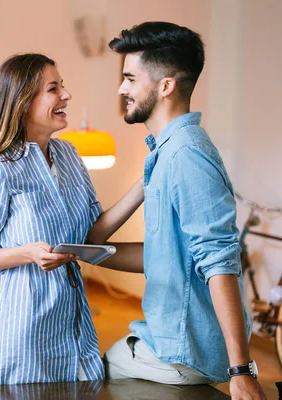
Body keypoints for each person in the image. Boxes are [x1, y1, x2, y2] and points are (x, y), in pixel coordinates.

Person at [100, 22, 266, 399]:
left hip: (179, 351)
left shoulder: (186, 155)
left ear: (165, 86)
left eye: (129, 78)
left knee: (88, 368)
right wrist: (88, 255)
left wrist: (241, 371)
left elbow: (218, 260)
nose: (122, 89)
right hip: (166, 339)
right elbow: (168, 257)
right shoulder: (168, 152)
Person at [0, 53, 144, 385]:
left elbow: (91, 234)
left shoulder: (69, 154)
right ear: (23, 102)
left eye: (63, 87)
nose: (66, 96)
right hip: (18, 335)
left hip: (73, 327)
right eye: (53, 89)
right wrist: (28, 253)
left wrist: (143, 186)